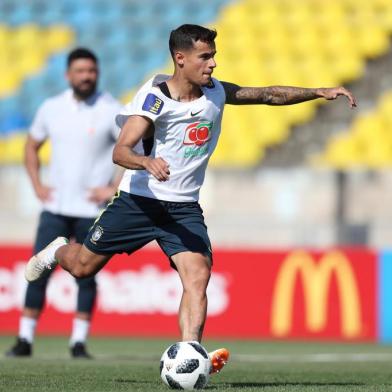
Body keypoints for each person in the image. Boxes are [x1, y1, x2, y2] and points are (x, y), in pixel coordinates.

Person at [24, 25, 356, 371]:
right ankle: (57, 248)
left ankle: (190, 357)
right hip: (139, 201)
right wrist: (145, 161)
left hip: (183, 209)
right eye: (205, 56)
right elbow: (120, 151)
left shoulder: (215, 93)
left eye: (213, 55)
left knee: (198, 276)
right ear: (180, 59)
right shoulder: (155, 99)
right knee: (81, 267)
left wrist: (318, 91)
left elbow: (268, 94)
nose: (213, 64)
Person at [7, 48, 123, 359]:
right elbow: (31, 146)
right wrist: (36, 184)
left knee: (87, 275)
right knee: (39, 270)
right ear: (68, 75)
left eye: (91, 71)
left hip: (91, 211)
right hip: (56, 207)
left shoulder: (111, 108)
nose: (87, 76)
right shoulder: (51, 108)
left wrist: (113, 186)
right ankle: (25, 338)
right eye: (81, 70)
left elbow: (131, 147)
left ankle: (78, 341)